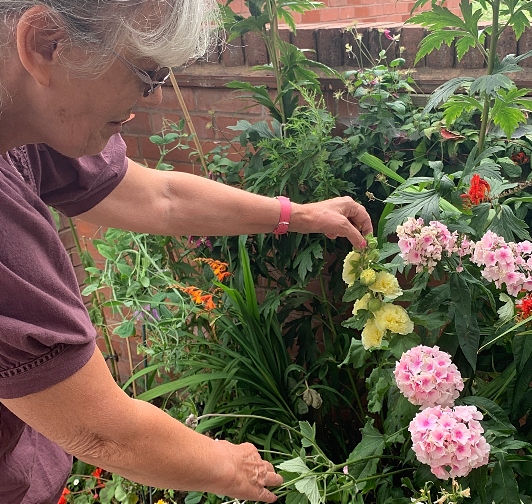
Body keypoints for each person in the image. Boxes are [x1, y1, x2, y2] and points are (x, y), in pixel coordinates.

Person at [0, 1, 373, 502]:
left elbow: (160, 197)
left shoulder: (23, 116)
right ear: (46, 43)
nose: (139, 105)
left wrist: (298, 214)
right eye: (146, 75)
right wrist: (228, 468)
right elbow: (100, 431)